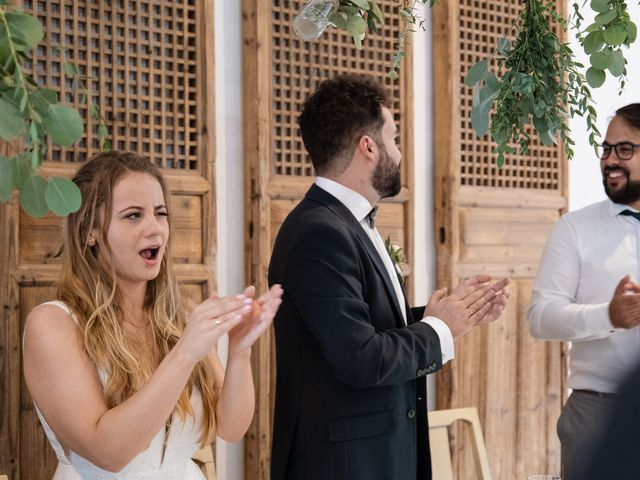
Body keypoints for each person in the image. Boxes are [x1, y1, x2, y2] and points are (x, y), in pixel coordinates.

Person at [268, 74, 510, 480]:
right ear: (368, 146)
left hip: (377, 455)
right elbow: (360, 359)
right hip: (345, 466)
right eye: (393, 139)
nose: (398, 154)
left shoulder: (342, 222)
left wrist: (446, 317)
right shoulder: (320, 232)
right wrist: (438, 329)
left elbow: (362, 329)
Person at [23, 151, 283, 479]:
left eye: (160, 214)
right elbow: (108, 452)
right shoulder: (52, 324)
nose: (155, 229)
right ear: (89, 230)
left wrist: (239, 351)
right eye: (133, 216)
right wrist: (185, 352)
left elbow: (231, 427)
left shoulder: (181, 315)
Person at [527, 103, 640, 479]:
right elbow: (540, 318)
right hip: (599, 415)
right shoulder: (574, 228)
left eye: (625, 149)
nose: (610, 160)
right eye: (606, 149)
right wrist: (607, 316)